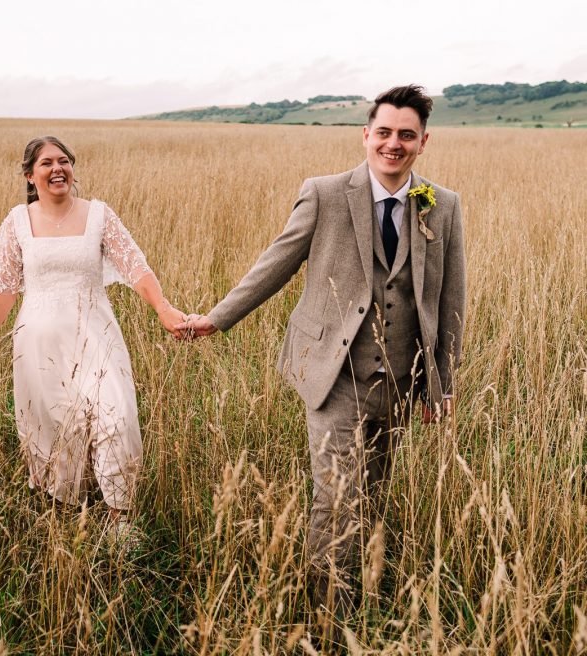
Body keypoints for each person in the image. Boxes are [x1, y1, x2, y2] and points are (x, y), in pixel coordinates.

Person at [180, 85, 466, 614]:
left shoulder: (440, 205)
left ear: (423, 142)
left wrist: (441, 384)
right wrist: (216, 319)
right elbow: (277, 263)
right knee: (336, 500)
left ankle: (366, 605)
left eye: (406, 135)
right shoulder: (325, 193)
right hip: (333, 377)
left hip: (401, 383)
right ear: (365, 135)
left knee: (373, 498)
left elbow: (450, 301)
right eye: (384, 133)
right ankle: (328, 616)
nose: (393, 144)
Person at [0, 136, 186, 535]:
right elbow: (3, 290)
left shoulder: (99, 215)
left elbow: (135, 267)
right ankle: (71, 516)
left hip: (96, 336)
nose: (57, 169)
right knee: (58, 430)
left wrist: (164, 309)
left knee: (114, 415)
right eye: (46, 163)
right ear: (30, 175)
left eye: (63, 161)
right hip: (37, 346)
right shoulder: (17, 222)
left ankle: (120, 519)